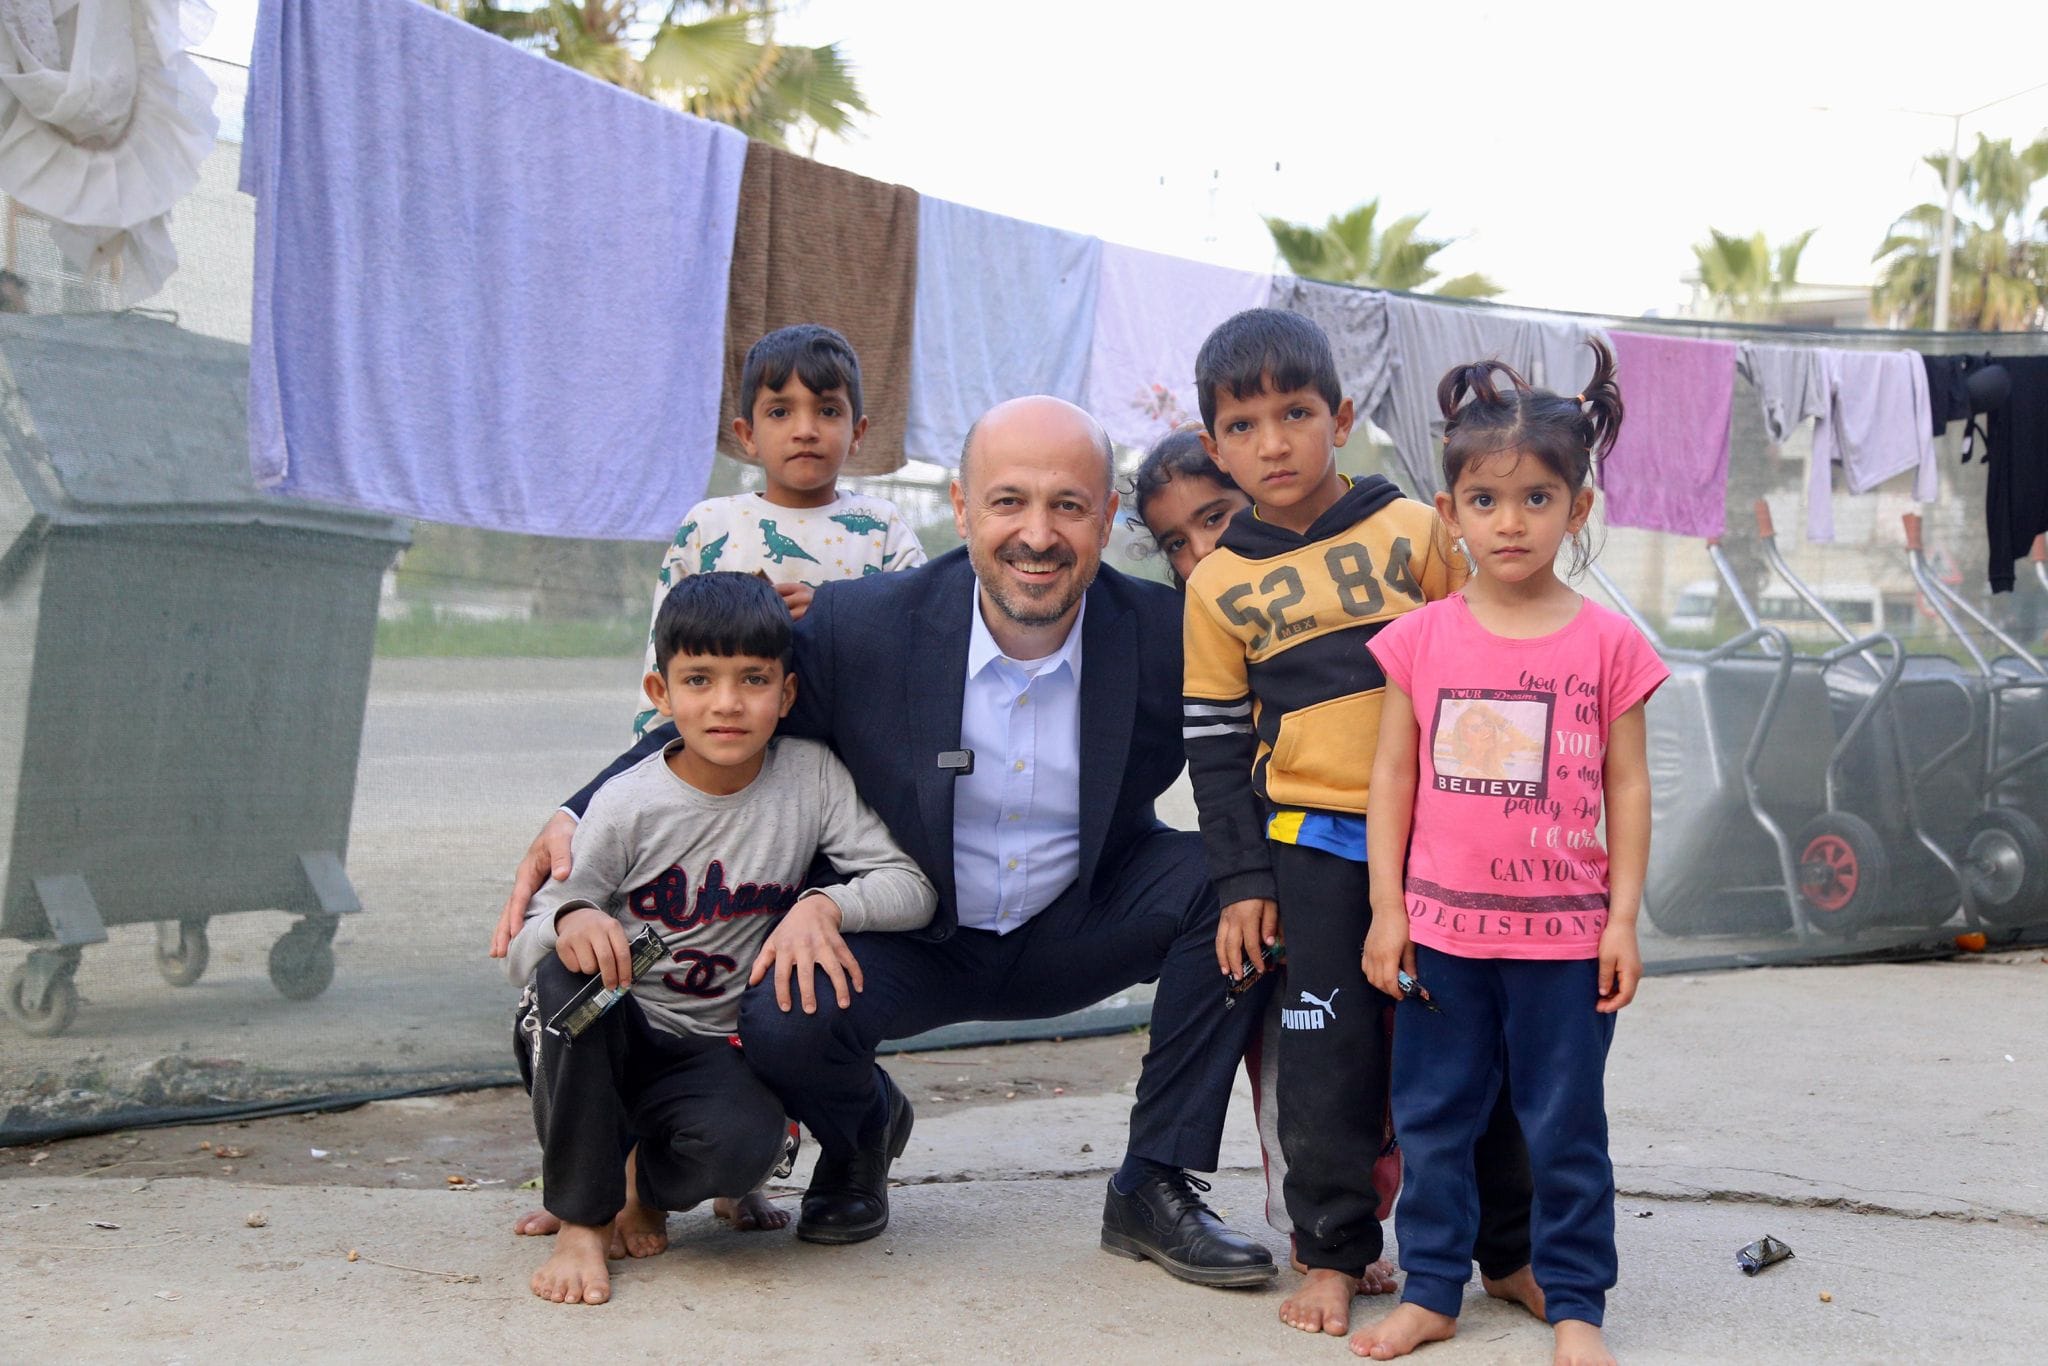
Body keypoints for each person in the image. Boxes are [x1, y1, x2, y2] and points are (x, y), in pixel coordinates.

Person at [495, 394, 1281, 1287]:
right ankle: (861, 1139)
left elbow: (1290, 727)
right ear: (960, 508)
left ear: (1107, 517)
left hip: (1085, 916)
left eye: (1068, 505)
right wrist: (574, 812)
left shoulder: (1171, 636)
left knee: (1241, 885)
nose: (1038, 534)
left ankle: (1154, 1185)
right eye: (1008, 501)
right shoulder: (858, 627)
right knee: (783, 1014)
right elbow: (719, 723)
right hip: (913, 929)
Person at [1179, 308, 1537, 1339]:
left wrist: (1506, 814)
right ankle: (1331, 1251)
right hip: (1313, 844)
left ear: (1338, 416)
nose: (1273, 443)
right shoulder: (1216, 585)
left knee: (1476, 1041)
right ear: (1213, 446)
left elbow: (1480, 669)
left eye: (1294, 413)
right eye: (1242, 426)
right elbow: (1211, 747)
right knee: (1326, 1057)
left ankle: (1504, 1250)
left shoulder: (1413, 533)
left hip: (1443, 837)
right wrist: (1243, 878)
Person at [1353, 342, 1665, 1366]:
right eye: (1484, 500)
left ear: (1575, 509)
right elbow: (1391, 778)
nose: (1510, 521)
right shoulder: (1420, 640)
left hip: (1566, 947)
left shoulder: (1609, 645)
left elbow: (1626, 786)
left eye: (1536, 498)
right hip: (1440, 937)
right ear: (1450, 513)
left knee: (1561, 1129)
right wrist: (1386, 910)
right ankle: (1432, 1289)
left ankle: (1575, 1299)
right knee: (1433, 1118)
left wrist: (1619, 920)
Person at [503, 572, 936, 1305]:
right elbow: (526, 945)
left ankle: (640, 1177)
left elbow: (911, 887)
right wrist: (574, 919)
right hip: (609, 1038)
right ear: (660, 694)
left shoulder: (812, 779)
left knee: (748, 1150)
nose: (727, 703)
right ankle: (583, 1217)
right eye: (699, 679)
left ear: (787, 695)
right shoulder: (629, 801)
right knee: (566, 984)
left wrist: (826, 904)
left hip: (705, 1053)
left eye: (753, 679)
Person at [630, 323, 926, 736]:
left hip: (848, 761)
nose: (805, 429)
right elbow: (663, 656)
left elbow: (922, 642)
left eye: (827, 410)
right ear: (747, 435)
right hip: (726, 762)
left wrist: (834, 614)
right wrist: (650, 764)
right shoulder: (709, 525)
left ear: (857, 433)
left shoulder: (882, 529)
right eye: (780, 411)